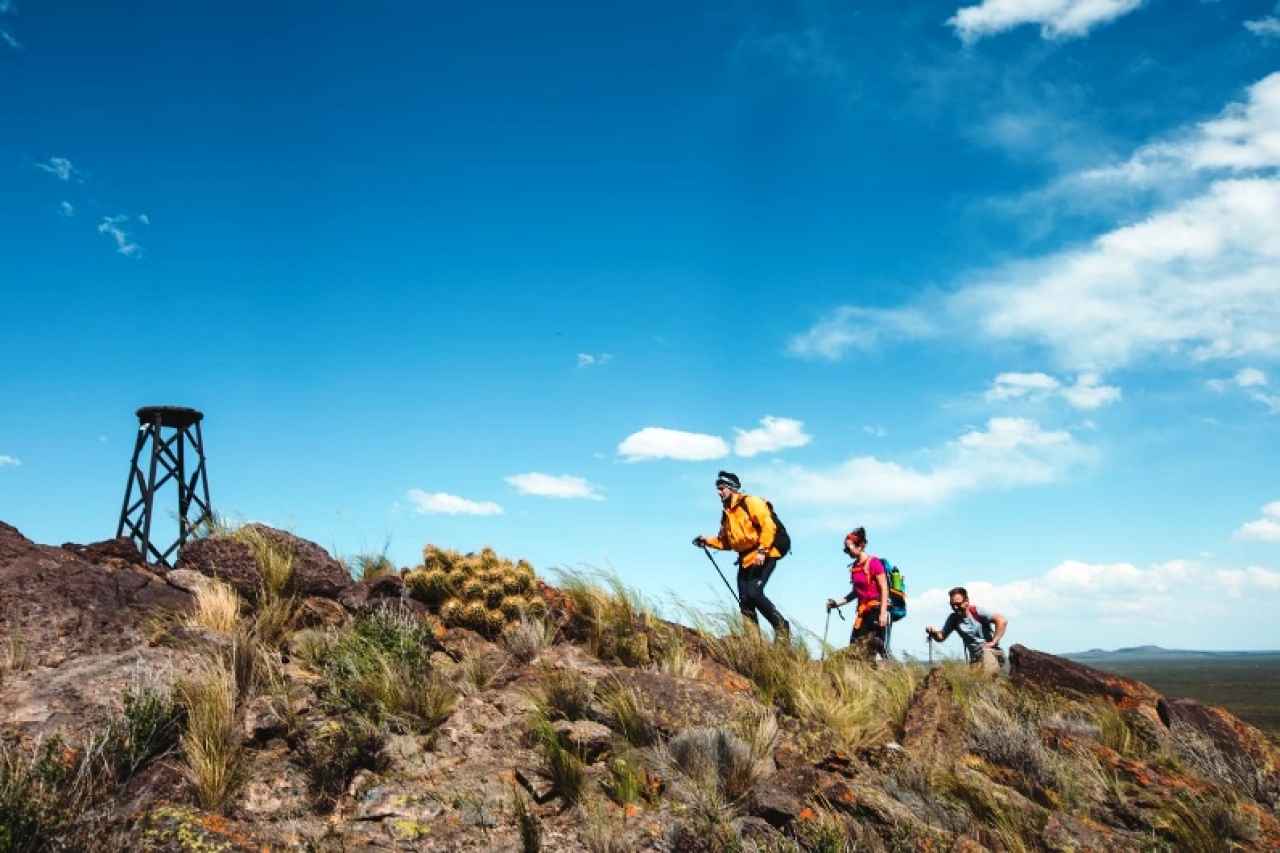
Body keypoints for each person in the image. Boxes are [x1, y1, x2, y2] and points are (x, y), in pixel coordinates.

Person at [693, 471, 790, 642]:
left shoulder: (751, 502)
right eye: (717, 488)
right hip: (745, 559)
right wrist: (706, 541)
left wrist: (761, 551)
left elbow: (768, 526)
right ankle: (753, 640)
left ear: (731, 488)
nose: (718, 492)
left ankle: (781, 627)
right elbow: (727, 542)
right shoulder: (727, 513)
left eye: (721, 488)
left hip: (765, 552)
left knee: (754, 593)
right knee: (745, 600)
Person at [825, 527, 890, 661]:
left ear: (861, 545)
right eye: (845, 550)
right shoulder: (855, 567)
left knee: (875, 649)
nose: (847, 552)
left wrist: (882, 614)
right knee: (855, 650)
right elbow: (856, 592)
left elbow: (884, 589)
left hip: (876, 611)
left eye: (849, 549)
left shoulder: (874, 563)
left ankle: (895, 676)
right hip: (863, 613)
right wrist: (837, 603)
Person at [926, 587, 1008, 672]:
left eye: (958, 604)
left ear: (967, 601)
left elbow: (1001, 620)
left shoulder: (976, 612)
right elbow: (941, 637)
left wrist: (993, 642)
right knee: (977, 683)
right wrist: (933, 632)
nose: (955, 607)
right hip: (975, 657)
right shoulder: (953, 618)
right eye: (952, 605)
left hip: (990, 653)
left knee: (988, 679)